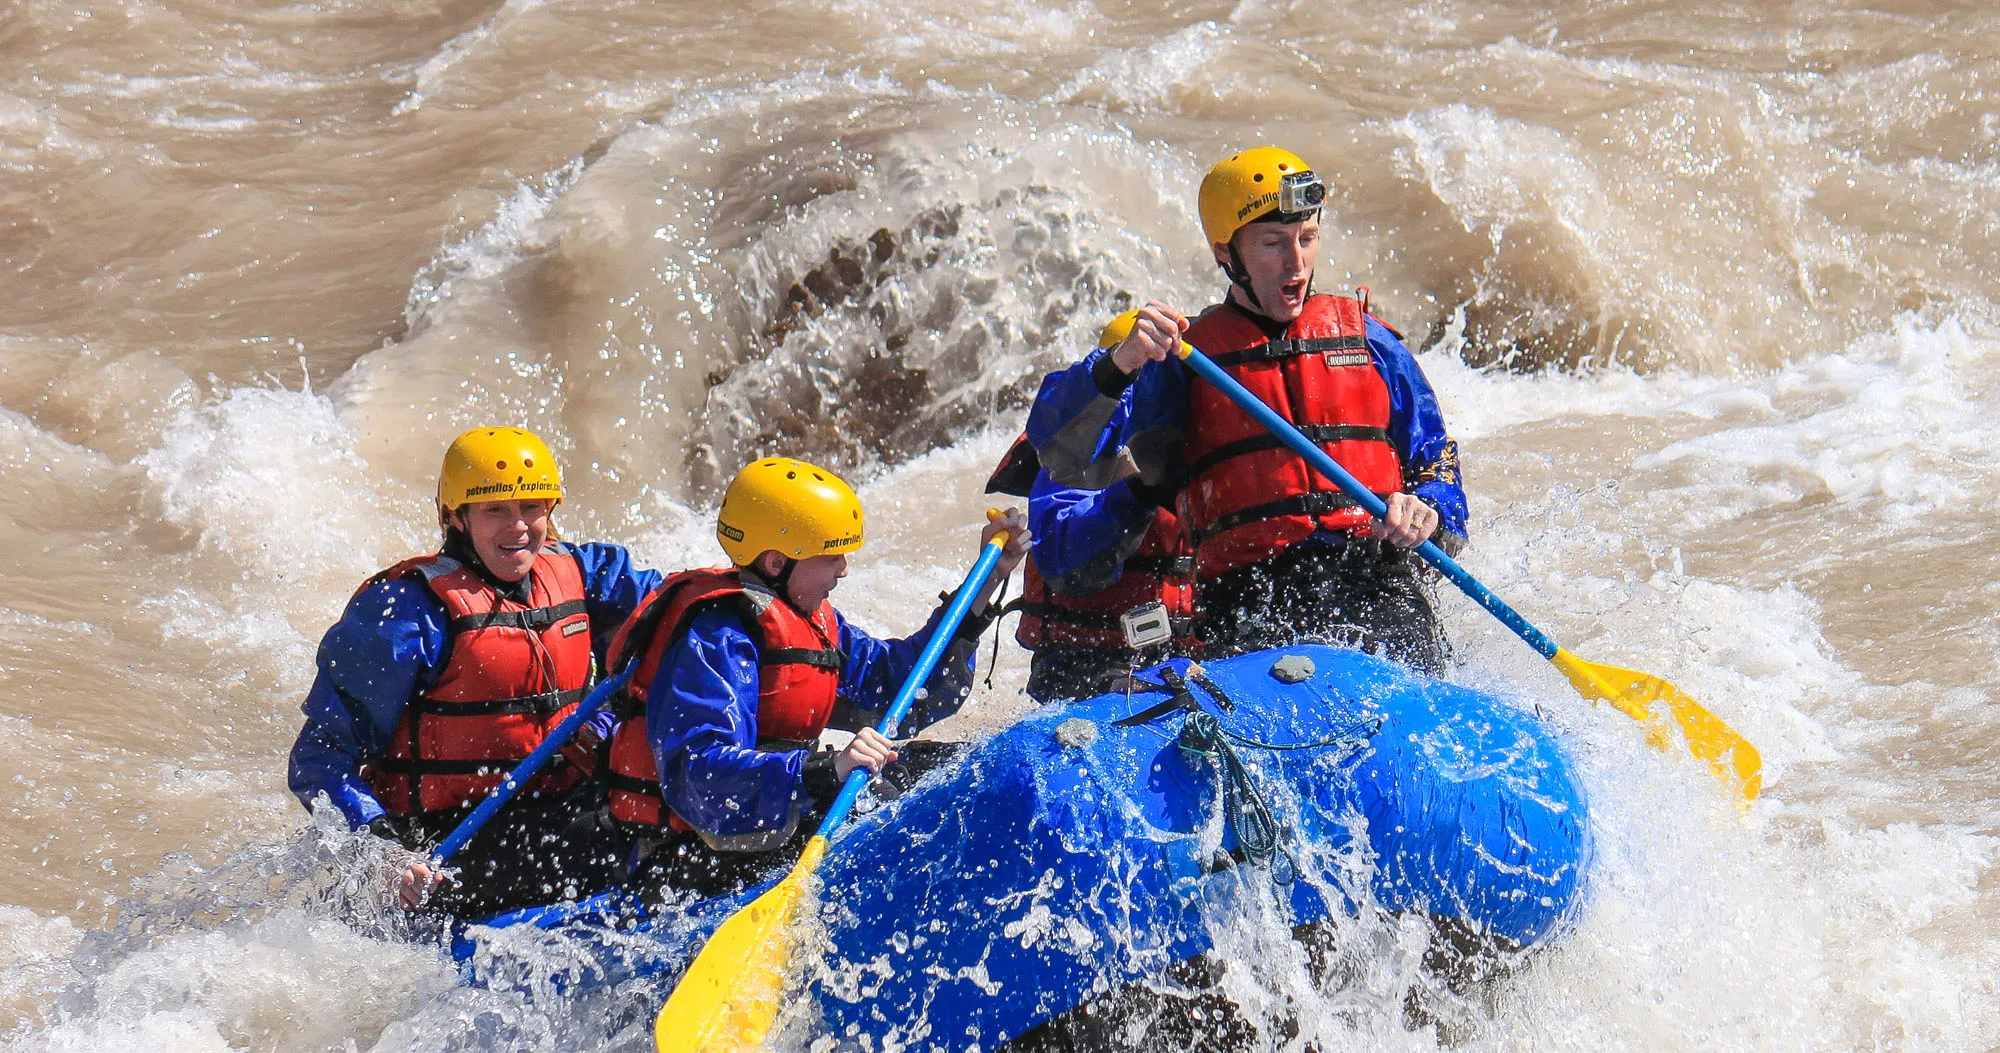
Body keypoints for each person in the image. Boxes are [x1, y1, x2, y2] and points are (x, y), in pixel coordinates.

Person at [1027, 147, 1468, 673]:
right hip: (1253, 603)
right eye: (1273, 243)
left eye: (1308, 238)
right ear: (1226, 254)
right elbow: (1060, 450)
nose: (1296, 262)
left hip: (1379, 585)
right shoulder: (1183, 364)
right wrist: (1119, 362)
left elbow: (1436, 457)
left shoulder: (1371, 342)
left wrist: (1431, 505)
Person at [600, 457, 1029, 898]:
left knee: (964, 768)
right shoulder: (715, 637)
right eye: (831, 556)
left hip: (776, 822)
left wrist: (987, 581)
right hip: (696, 858)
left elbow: (900, 687)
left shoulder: (811, 618)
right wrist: (827, 771)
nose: (843, 569)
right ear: (775, 562)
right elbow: (702, 776)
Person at [288, 426, 661, 918]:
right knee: (639, 834)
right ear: (454, 519)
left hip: (559, 805)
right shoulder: (405, 615)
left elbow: (675, 618)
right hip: (449, 842)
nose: (519, 528)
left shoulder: (584, 572)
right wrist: (381, 851)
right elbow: (317, 761)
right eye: (495, 510)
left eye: (532, 508)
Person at [985, 310, 1198, 703]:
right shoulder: (1078, 442)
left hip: (1180, 653)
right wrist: (1137, 490)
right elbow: (1061, 557)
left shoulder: (1193, 424)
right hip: (1083, 663)